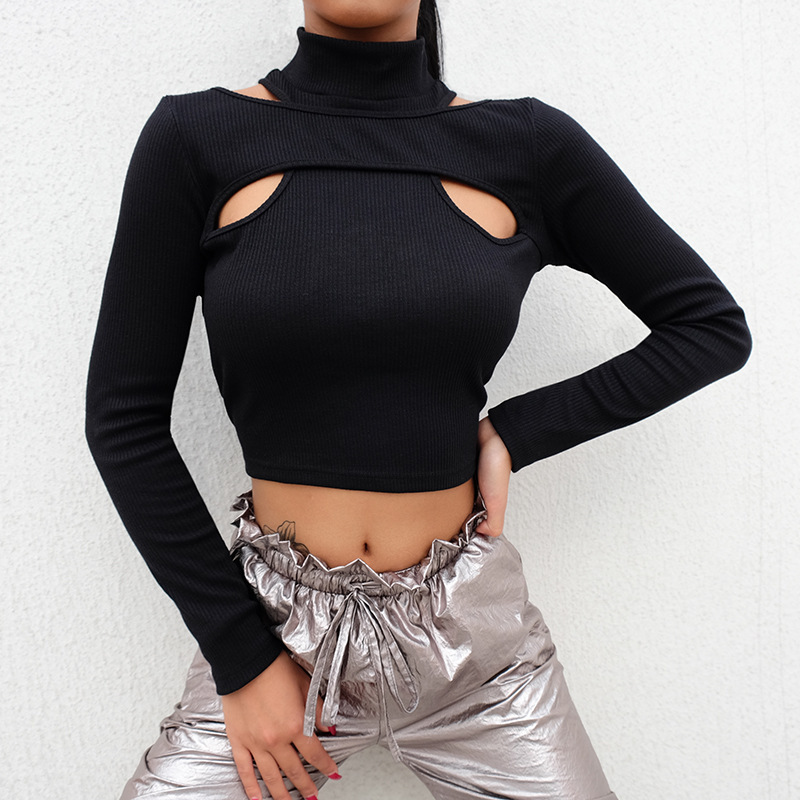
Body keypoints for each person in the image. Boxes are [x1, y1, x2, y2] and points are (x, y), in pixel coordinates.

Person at [84, 2, 752, 799]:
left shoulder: (525, 144)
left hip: (475, 654)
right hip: (273, 640)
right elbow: (123, 421)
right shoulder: (197, 136)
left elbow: (708, 326)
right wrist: (243, 658)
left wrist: (514, 431)